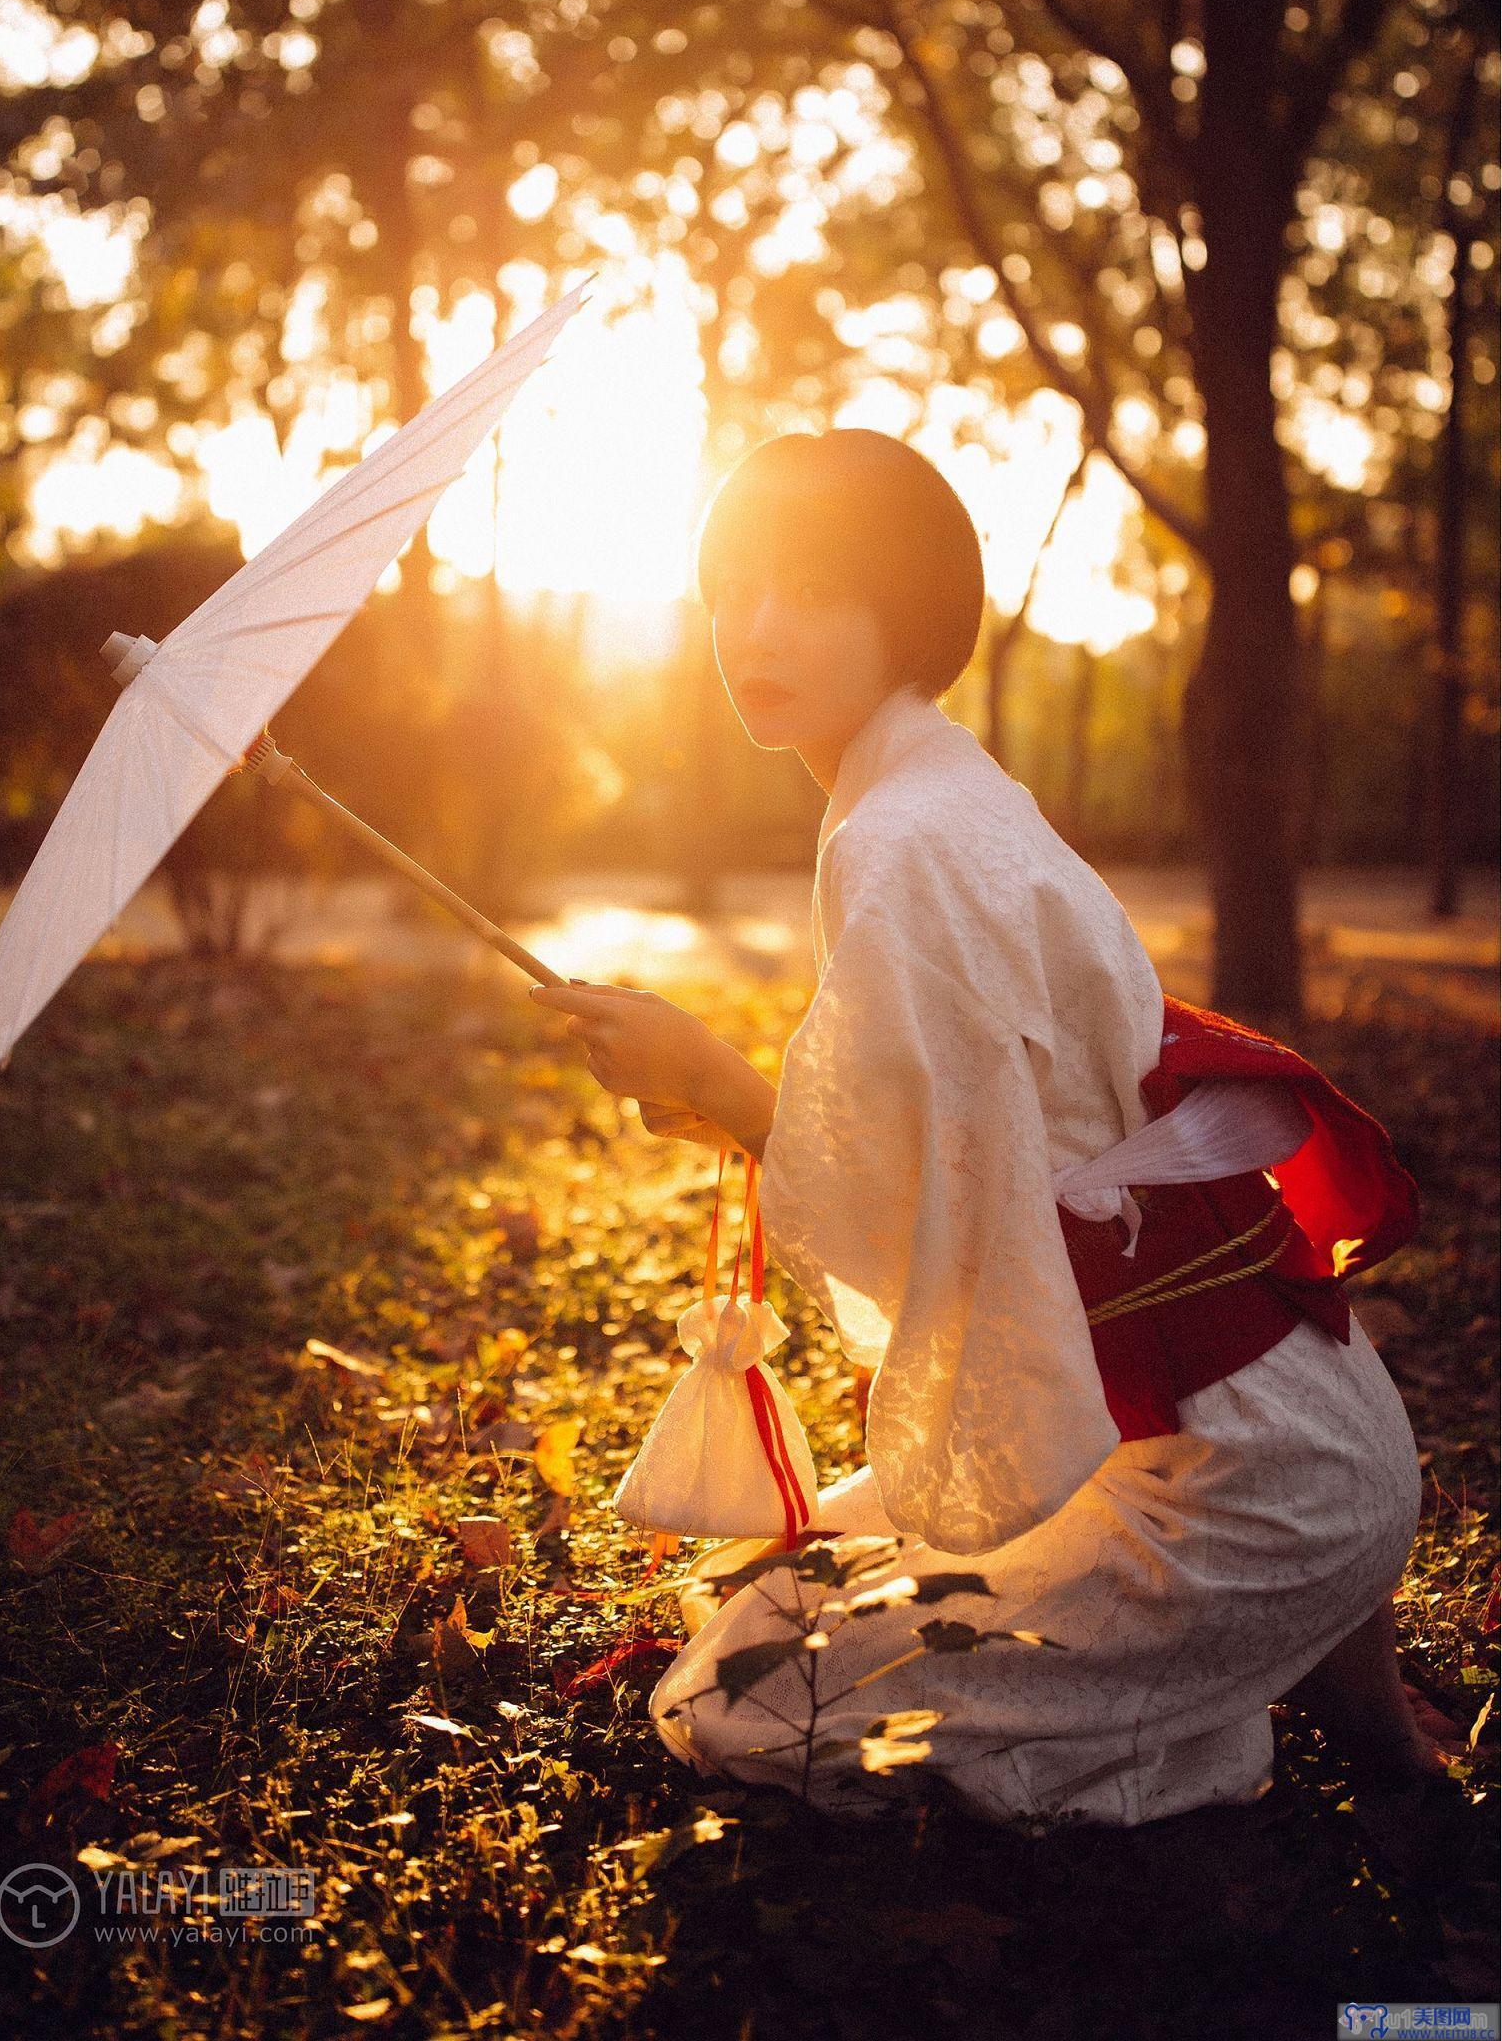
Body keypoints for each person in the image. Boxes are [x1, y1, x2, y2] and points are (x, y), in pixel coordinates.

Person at [530, 426, 1453, 1835]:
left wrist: (714, 1078)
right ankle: (1265, 1670)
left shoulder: (909, 839)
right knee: (800, 1561)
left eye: (809, 590)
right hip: (1317, 1443)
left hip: (1241, 1495)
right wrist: (725, 1095)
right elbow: (992, 1181)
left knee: (746, 1690)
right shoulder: (938, 792)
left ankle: (1202, 1722)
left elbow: (947, 1231)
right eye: (732, 588)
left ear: (907, 612)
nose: (754, 629)